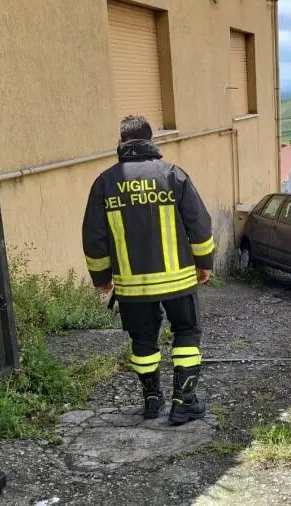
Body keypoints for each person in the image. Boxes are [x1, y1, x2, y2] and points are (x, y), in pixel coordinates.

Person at [82, 115, 214, 424]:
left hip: (132, 285)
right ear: (151, 141)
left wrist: (102, 277)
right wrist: (204, 263)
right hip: (178, 280)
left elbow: (93, 236)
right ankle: (184, 402)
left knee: (143, 342)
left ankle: (152, 401)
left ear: (121, 142)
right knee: (187, 332)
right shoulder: (172, 175)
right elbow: (199, 223)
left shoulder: (105, 181)